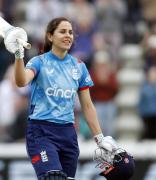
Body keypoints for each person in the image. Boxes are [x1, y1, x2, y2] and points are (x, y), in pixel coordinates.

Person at [4, 17, 121, 180]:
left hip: (68, 134)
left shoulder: (79, 66)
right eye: (63, 31)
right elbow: (21, 81)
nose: (68, 35)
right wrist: (18, 55)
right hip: (41, 132)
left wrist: (100, 138)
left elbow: (87, 105)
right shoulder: (39, 62)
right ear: (50, 36)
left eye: (71, 32)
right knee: (53, 177)